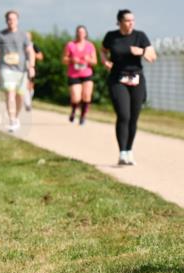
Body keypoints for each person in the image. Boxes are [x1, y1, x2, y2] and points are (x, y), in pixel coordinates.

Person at [102, 9, 156, 165]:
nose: (131, 23)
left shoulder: (140, 36)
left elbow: (152, 57)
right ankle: (122, 152)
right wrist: (105, 61)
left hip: (137, 79)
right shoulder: (111, 36)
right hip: (118, 79)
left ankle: (129, 150)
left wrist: (141, 51)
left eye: (133, 20)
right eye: (127, 20)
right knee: (124, 115)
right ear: (119, 22)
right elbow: (103, 50)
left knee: (134, 117)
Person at [0, 10, 35, 133]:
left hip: (21, 70)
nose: (11, 21)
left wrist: (31, 66)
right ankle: (11, 120)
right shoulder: (0, 35)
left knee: (20, 97)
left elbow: (30, 51)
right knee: (10, 94)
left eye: (14, 19)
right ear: (6, 21)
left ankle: (16, 117)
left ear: (18, 20)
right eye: (9, 19)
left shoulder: (23, 35)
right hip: (6, 69)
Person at [62, 25, 98, 125]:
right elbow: (64, 60)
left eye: (83, 32)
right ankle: (73, 111)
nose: (81, 34)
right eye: (79, 32)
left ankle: (83, 116)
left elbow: (95, 61)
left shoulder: (90, 45)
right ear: (76, 33)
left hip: (87, 73)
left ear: (86, 34)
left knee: (87, 96)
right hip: (74, 74)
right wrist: (71, 60)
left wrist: (88, 60)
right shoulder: (70, 45)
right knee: (76, 98)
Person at [24, 31, 44, 111]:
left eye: (28, 36)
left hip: (31, 67)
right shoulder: (20, 45)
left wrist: (32, 54)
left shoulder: (33, 45)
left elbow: (41, 56)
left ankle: (28, 100)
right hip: (21, 67)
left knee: (30, 86)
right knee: (24, 85)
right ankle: (27, 103)